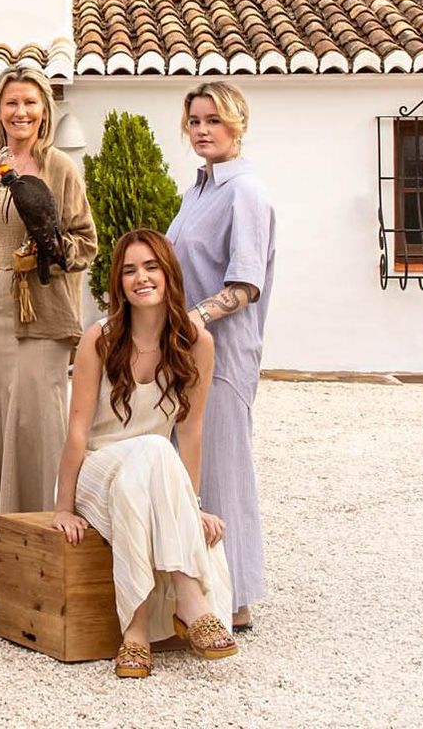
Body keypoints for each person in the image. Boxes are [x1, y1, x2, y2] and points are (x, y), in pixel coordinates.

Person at [54, 229, 239, 678]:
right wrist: (62, 505)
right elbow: (77, 429)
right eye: (130, 270)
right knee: (156, 448)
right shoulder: (100, 337)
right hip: (97, 471)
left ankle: (135, 632)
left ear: (169, 274)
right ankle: (189, 598)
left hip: (147, 476)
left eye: (151, 267)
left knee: (151, 461)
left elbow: (191, 432)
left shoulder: (197, 342)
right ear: (119, 283)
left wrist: (190, 507)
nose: (142, 278)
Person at [0, 67, 96, 533]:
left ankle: (46, 540)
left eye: (30, 102)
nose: (20, 111)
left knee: (40, 428)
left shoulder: (61, 169)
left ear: (44, 111)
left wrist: (49, 250)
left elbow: (86, 242)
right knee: (0, 425)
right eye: (11, 103)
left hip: (44, 315)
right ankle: (9, 550)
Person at [166, 81, 274, 631]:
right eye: (194, 121)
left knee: (225, 469)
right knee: (188, 467)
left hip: (225, 353)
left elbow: (244, 285)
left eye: (213, 120)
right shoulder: (195, 192)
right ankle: (194, 588)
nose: (202, 129)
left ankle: (238, 598)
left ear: (237, 124)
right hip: (181, 352)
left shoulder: (246, 192)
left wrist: (192, 319)